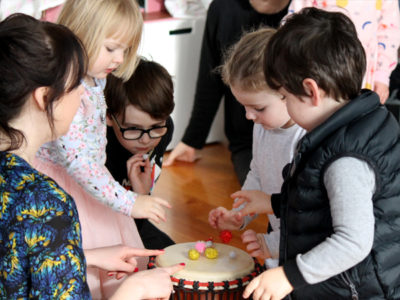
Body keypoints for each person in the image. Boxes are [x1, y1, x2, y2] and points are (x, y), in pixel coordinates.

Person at [0, 13, 184, 300]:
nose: (85, 97)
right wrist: (135, 290)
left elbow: (16, 271)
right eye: (76, 86)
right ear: (46, 98)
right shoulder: (45, 202)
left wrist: (87, 256)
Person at [232, 7, 400, 300]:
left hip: (356, 290)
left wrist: (288, 275)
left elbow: (352, 242)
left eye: (284, 95)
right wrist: (273, 203)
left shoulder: (346, 160)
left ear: (311, 91)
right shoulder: (347, 126)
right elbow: (317, 205)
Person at [163, 0, 291, 185]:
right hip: (246, 143)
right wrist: (192, 139)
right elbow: (211, 79)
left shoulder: (304, 10)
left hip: (295, 134)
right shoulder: (223, 8)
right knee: (260, 189)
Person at [208, 27, 306, 269]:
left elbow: (309, 210)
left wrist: (274, 244)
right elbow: (258, 174)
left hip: (307, 253)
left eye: (258, 108)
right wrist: (239, 215)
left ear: (290, 92)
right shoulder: (263, 126)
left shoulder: (307, 137)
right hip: (279, 239)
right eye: (243, 106)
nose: (248, 116)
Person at [105, 58, 175, 249]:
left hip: (133, 223)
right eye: (133, 129)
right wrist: (135, 200)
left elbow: (137, 221)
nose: (146, 140)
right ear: (109, 117)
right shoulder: (98, 147)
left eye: (155, 127)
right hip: (98, 230)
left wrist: (141, 194)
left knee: (173, 258)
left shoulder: (164, 130)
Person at [288, 0, 400, 104]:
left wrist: (382, 74)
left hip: (362, 68)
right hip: (315, 61)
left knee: (355, 115)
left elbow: (389, 31)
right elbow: (295, 18)